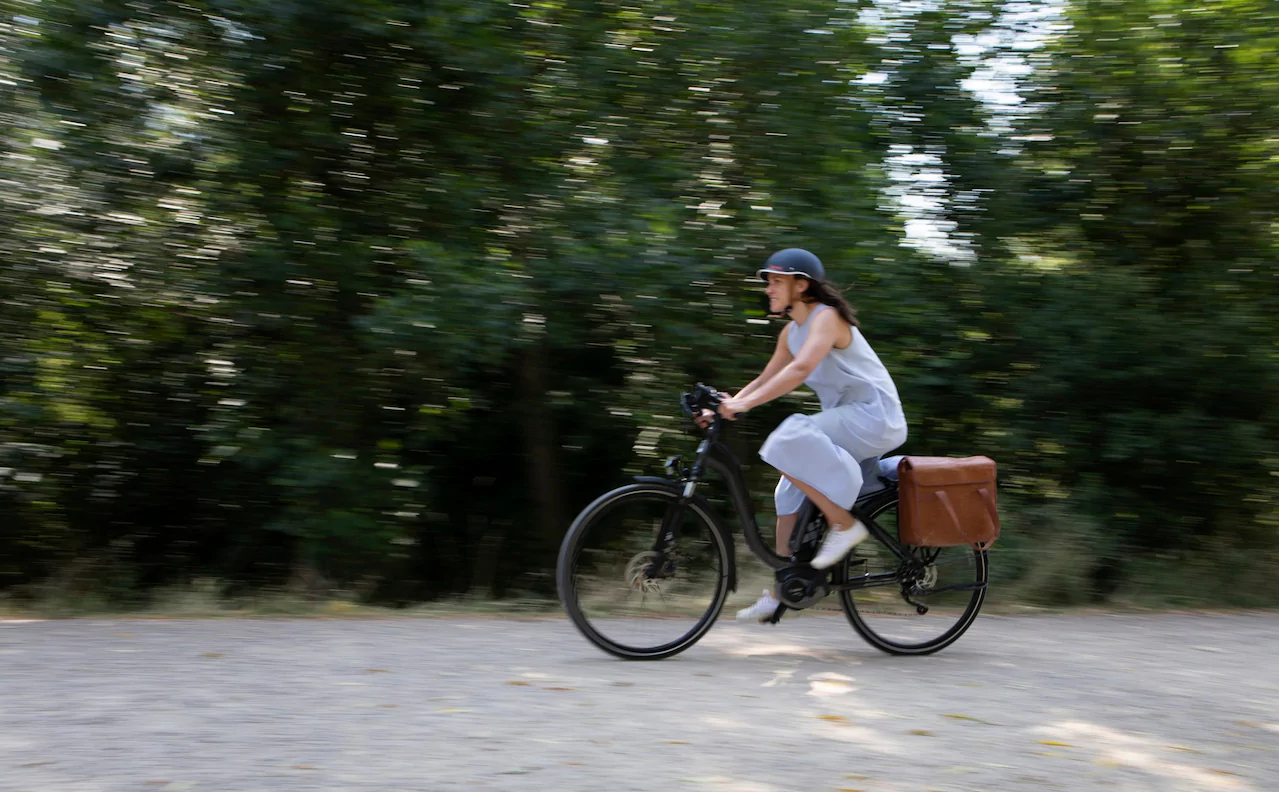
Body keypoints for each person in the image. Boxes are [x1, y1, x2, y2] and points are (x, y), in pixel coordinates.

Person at [715, 248, 908, 622]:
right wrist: (728, 403)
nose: (769, 289)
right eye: (768, 282)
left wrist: (745, 406)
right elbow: (765, 378)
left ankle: (843, 524)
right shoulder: (791, 331)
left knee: (789, 436)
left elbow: (802, 368)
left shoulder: (827, 318)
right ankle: (785, 587)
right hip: (849, 420)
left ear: (801, 285)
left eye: (776, 281)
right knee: (787, 492)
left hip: (875, 416)